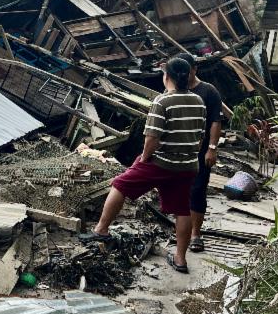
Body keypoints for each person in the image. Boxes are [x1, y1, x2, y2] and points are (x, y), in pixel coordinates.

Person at [80, 57, 206, 273]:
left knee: (120, 184)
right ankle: (180, 260)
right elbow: (199, 136)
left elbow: (152, 138)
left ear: (168, 77)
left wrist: (145, 158)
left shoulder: (162, 102)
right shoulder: (198, 101)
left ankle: (101, 230)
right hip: (187, 165)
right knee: (182, 209)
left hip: (161, 162)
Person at [176, 53, 225, 254]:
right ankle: (180, 233)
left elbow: (216, 121)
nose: (182, 75)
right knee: (179, 192)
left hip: (200, 151)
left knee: (197, 190)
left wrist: (212, 148)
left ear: (195, 69)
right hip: (178, 150)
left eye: (186, 71)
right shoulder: (175, 90)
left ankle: (196, 234)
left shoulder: (208, 91)